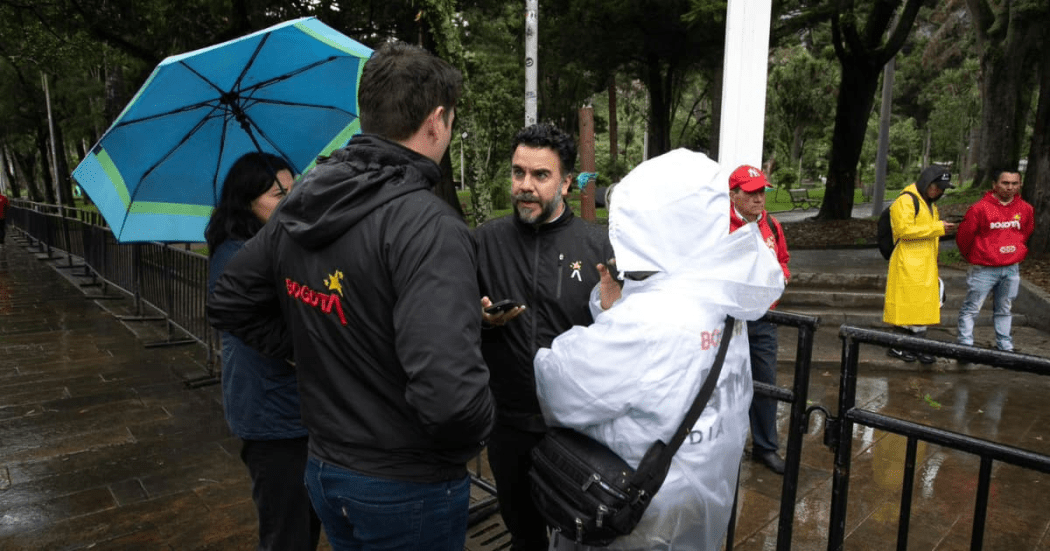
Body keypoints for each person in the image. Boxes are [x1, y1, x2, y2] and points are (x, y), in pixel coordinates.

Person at [207, 42, 495, 550]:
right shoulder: (431, 228)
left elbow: (233, 300)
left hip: (327, 469)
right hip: (405, 484)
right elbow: (451, 401)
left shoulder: (301, 203)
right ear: (437, 121)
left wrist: (320, 340)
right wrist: (485, 423)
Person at [534, 149, 785, 550]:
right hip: (700, 497)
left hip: (638, 513)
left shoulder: (647, 322)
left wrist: (554, 346)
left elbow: (558, 386)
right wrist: (615, 308)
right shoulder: (725, 300)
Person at [474, 123, 613, 551]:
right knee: (524, 532)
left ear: (567, 182)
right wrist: (481, 319)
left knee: (582, 531)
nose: (525, 186)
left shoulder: (598, 246)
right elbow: (455, 313)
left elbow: (626, 335)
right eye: (518, 173)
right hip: (509, 422)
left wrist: (617, 313)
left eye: (541, 175)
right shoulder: (484, 240)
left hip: (577, 427)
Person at [204, 152, 320, 551]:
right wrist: (298, 348)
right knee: (286, 532)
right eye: (277, 193)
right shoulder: (235, 256)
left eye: (293, 188)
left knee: (304, 522)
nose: (290, 199)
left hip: (296, 411)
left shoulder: (273, 243)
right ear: (247, 201)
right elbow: (237, 316)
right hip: (274, 417)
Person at [728, 164, 789, 475]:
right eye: (751, 193)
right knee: (723, 382)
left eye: (762, 191)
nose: (759, 198)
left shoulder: (772, 225)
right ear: (734, 194)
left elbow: (782, 261)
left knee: (765, 381)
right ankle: (725, 446)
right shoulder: (718, 224)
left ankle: (766, 446)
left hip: (763, 319)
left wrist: (781, 281)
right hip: (726, 320)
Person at [883, 165, 957, 363]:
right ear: (927, 183)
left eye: (942, 188)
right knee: (910, 306)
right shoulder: (906, 200)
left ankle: (912, 345)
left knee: (919, 306)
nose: (939, 191)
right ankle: (903, 346)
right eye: (937, 187)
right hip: (908, 261)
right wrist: (937, 227)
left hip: (923, 262)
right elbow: (904, 230)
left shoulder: (928, 203)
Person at [955, 168, 1034, 352]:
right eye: (1005, 183)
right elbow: (964, 237)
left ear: (1020, 185)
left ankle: (1005, 346)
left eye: (1014, 183)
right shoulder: (979, 209)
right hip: (984, 268)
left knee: (1004, 309)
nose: (1010, 187)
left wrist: (1016, 250)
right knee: (972, 308)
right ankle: (965, 345)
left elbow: (1026, 232)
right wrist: (974, 257)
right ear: (995, 185)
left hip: (1011, 268)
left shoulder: (1026, 209)